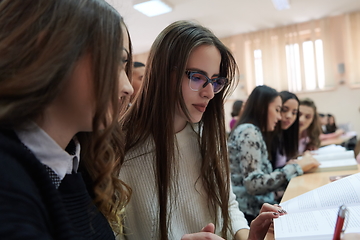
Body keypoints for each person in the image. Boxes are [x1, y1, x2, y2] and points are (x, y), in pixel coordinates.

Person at [119, 21, 284, 240]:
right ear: (163, 73)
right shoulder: (119, 146)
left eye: (215, 81)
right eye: (197, 77)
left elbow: (228, 205)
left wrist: (248, 236)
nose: (210, 93)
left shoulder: (207, 135)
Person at [0, 0, 133, 239]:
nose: (128, 87)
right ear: (52, 52)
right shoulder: (9, 183)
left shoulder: (76, 165)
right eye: (113, 61)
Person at [228, 86, 319, 223]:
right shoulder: (249, 132)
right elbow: (253, 184)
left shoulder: (253, 131)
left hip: (257, 207)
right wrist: (296, 167)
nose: (279, 117)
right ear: (262, 108)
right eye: (278, 110)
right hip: (250, 213)